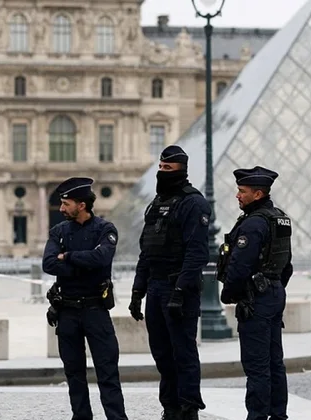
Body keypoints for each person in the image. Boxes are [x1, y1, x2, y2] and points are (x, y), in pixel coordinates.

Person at [129, 145, 211, 420]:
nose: (162, 172)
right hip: (155, 288)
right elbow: (147, 251)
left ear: (181, 171)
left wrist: (180, 290)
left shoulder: (193, 203)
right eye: (160, 168)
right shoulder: (155, 205)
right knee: (162, 354)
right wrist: (137, 290)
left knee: (183, 353)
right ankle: (170, 407)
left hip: (179, 289)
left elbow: (197, 253)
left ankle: (188, 409)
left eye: (168, 169)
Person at [42, 177, 129, 420]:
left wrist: (67, 257)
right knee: (73, 374)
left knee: (107, 372)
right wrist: (83, 263)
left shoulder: (105, 229)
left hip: (95, 310)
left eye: (66, 203)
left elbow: (102, 259)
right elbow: (48, 264)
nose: (61, 209)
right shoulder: (58, 231)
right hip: (67, 311)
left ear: (81, 204)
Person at [218, 166, 293, 420]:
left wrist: (228, 294)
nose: (238, 196)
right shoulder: (280, 218)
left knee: (257, 366)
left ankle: (257, 416)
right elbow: (287, 265)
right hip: (274, 293)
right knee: (275, 362)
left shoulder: (253, 224)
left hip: (256, 298)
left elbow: (239, 267)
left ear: (258, 194)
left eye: (242, 191)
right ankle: (278, 415)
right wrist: (274, 286)